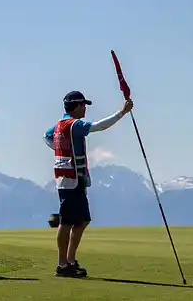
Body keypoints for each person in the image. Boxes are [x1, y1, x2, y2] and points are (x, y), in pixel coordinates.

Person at [43, 90, 133, 278]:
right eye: (83, 104)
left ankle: (70, 260)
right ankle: (63, 264)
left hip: (73, 179)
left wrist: (58, 149)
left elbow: (47, 137)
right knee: (67, 222)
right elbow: (98, 126)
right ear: (75, 105)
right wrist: (122, 112)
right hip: (71, 180)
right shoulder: (74, 124)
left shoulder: (60, 125)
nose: (85, 108)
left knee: (83, 220)